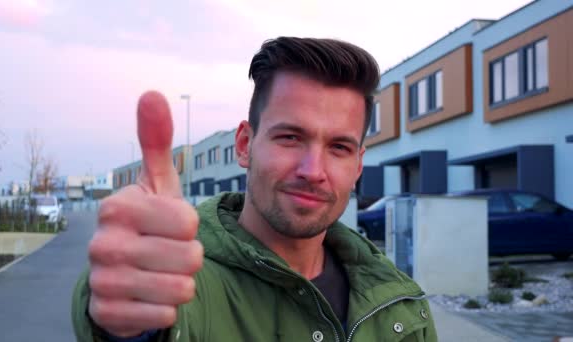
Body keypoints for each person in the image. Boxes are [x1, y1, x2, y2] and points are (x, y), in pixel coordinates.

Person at [71, 36, 438, 342]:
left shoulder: (401, 305)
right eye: (291, 137)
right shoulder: (184, 283)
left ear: (357, 165)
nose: (313, 171)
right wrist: (132, 323)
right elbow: (159, 319)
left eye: (338, 148)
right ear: (245, 145)